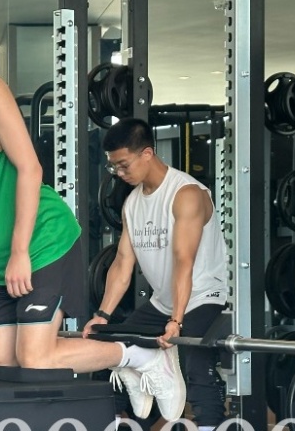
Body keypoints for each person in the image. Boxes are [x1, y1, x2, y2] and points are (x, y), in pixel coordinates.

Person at [0, 3, 185, 421]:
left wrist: (20, 250)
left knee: (36, 359)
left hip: (40, 243)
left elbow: (30, 167)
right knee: (4, 368)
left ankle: (138, 356)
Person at [95, 117, 229, 430]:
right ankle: (124, 422)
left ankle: (210, 426)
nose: (119, 173)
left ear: (147, 153)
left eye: (124, 165)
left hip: (204, 296)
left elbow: (184, 261)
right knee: (109, 348)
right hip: (164, 300)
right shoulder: (132, 203)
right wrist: (102, 316)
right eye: (114, 167)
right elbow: (122, 262)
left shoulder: (186, 194)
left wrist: (176, 321)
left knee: (195, 362)